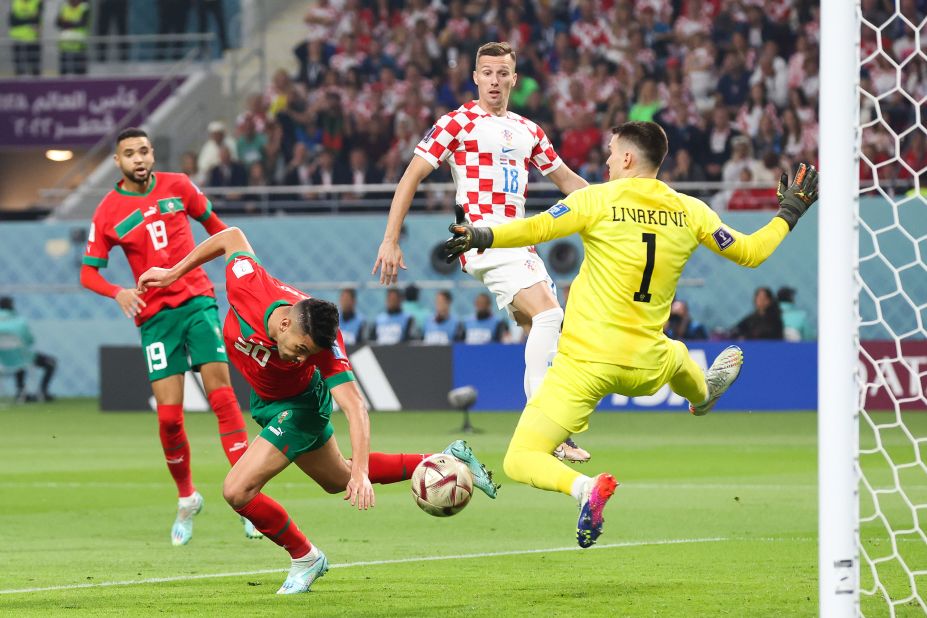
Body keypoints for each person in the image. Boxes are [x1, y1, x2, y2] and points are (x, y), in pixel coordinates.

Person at [443, 121, 819, 548]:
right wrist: (789, 212)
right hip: (647, 363)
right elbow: (752, 252)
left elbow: (538, 228)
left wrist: (481, 234)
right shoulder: (690, 211)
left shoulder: (596, 200)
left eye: (609, 151)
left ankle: (585, 488)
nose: (605, 160)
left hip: (585, 366)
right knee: (677, 355)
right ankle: (702, 394)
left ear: (626, 158)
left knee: (520, 458)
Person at [136, 226, 498, 594]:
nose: (304, 357)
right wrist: (172, 272)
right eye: (300, 348)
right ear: (284, 323)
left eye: (309, 353)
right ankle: (444, 458)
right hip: (266, 399)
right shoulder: (248, 285)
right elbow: (230, 236)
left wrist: (363, 473)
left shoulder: (324, 344)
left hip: (300, 407)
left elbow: (356, 407)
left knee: (237, 491)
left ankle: (305, 557)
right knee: (337, 480)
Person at [372, 41, 591, 463]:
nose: (494, 80)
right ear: (475, 77)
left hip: (522, 243)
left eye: (502, 73)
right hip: (483, 239)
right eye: (486, 72)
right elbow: (411, 176)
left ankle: (551, 428)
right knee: (549, 314)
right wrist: (390, 238)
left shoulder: (530, 130)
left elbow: (566, 180)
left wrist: (616, 202)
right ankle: (547, 430)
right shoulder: (457, 122)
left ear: (513, 78)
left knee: (546, 332)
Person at [79, 127, 259, 546]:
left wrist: (241, 271)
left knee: (223, 397)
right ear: (117, 163)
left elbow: (219, 231)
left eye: (144, 151)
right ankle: (187, 497)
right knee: (169, 418)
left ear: (152, 153)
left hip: (197, 300)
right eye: (129, 154)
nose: (139, 159)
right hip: (156, 318)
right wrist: (118, 292)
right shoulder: (107, 211)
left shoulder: (180, 186)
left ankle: (247, 496)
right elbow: (88, 272)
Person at [0, 297, 56, 402]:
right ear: (12, 306)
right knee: (51, 362)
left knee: (19, 360)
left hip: (3, 361)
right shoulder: (19, 321)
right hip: (22, 358)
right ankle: (43, 392)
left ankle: (20, 392)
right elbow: (30, 340)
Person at [9, 0, 42, 76]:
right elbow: (12, 21)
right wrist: (29, 18)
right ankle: (19, 84)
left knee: (34, 66)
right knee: (19, 66)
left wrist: (20, 18)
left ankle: (37, 84)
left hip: (33, 38)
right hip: (17, 37)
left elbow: (36, 19)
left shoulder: (37, 2)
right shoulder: (15, 2)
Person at [56, 0, 89, 75]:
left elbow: (82, 23)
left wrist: (66, 22)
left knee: (80, 72)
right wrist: (74, 23)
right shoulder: (63, 6)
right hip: (65, 45)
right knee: (63, 72)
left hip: (79, 45)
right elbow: (58, 23)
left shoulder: (84, 8)